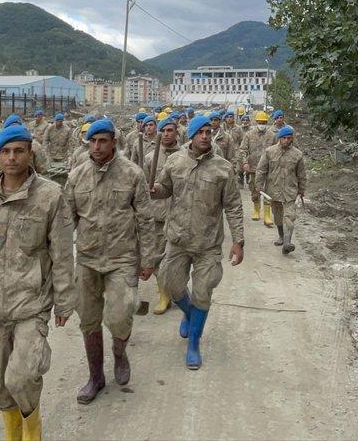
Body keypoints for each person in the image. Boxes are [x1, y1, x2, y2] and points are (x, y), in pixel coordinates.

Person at [0, 125, 76, 441]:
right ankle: (12, 433)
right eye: (6, 151)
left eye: (19, 150)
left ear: (30, 153)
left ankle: (32, 430)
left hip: (31, 304)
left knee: (22, 377)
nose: (11, 157)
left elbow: (61, 253)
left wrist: (64, 298)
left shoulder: (50, 196)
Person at [62, 119, 155, 405]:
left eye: (103, 141)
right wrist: (62, 264)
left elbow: (145, 218)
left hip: (122, 257)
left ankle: (119, 353)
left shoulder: (132, 174)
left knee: (120, 314)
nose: (97, 146)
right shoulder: (77, 176)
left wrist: (148, 257)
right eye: (92, 141)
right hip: (88, 258)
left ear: (114, 142)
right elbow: (66, 222)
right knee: (88, 320)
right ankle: (96, 377)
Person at [149, 116, 245, 370]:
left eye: (208, 131)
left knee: (203, 292)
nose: (205, 136)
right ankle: (190, 315)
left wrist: (239, 241)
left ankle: (193, 343)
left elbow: (233, 206)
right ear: (190, 136)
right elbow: (165, 188)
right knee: (172, 284)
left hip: (208, 243)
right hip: (178, 239)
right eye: (200, 132)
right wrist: (155, 190)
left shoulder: (223, 168)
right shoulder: (174, 161)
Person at [141, 115, 182, 314]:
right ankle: (163, 294)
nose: (166, 134)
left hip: (180, 215)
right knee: (157, 257)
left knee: (178, 258)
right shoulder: (150, 158)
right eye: (163, 131)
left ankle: (179, 291)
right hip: (157, 215)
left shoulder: (185, 156)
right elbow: (142, 187)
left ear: (177, 132)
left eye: (170, 130)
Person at [256, 125, 307, 254]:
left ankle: (287, 242)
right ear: (280, 138)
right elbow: (261, 169)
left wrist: (302, 189)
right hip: (273, 189)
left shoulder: (297, 154)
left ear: (292, 139)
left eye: (289, 138)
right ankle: (281, 235)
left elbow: (301, 174)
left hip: (290, 190)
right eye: (284, 138)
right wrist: (259, 184)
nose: (286, 140)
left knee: (290, 216)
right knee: (277, 216)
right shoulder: (269, 151)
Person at [239, 110, 274, 225]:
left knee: (268, 191)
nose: (262, 124)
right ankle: (256, 210)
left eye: (264, 122)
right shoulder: (249, 135)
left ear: (267, 123)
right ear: (256, 122)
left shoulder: (272, 135)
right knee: (254, 190)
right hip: (253, 168)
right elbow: (243, 150)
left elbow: (277, 151)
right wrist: (244, 163)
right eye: (260, 122)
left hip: (269, 168)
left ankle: (267, 215)